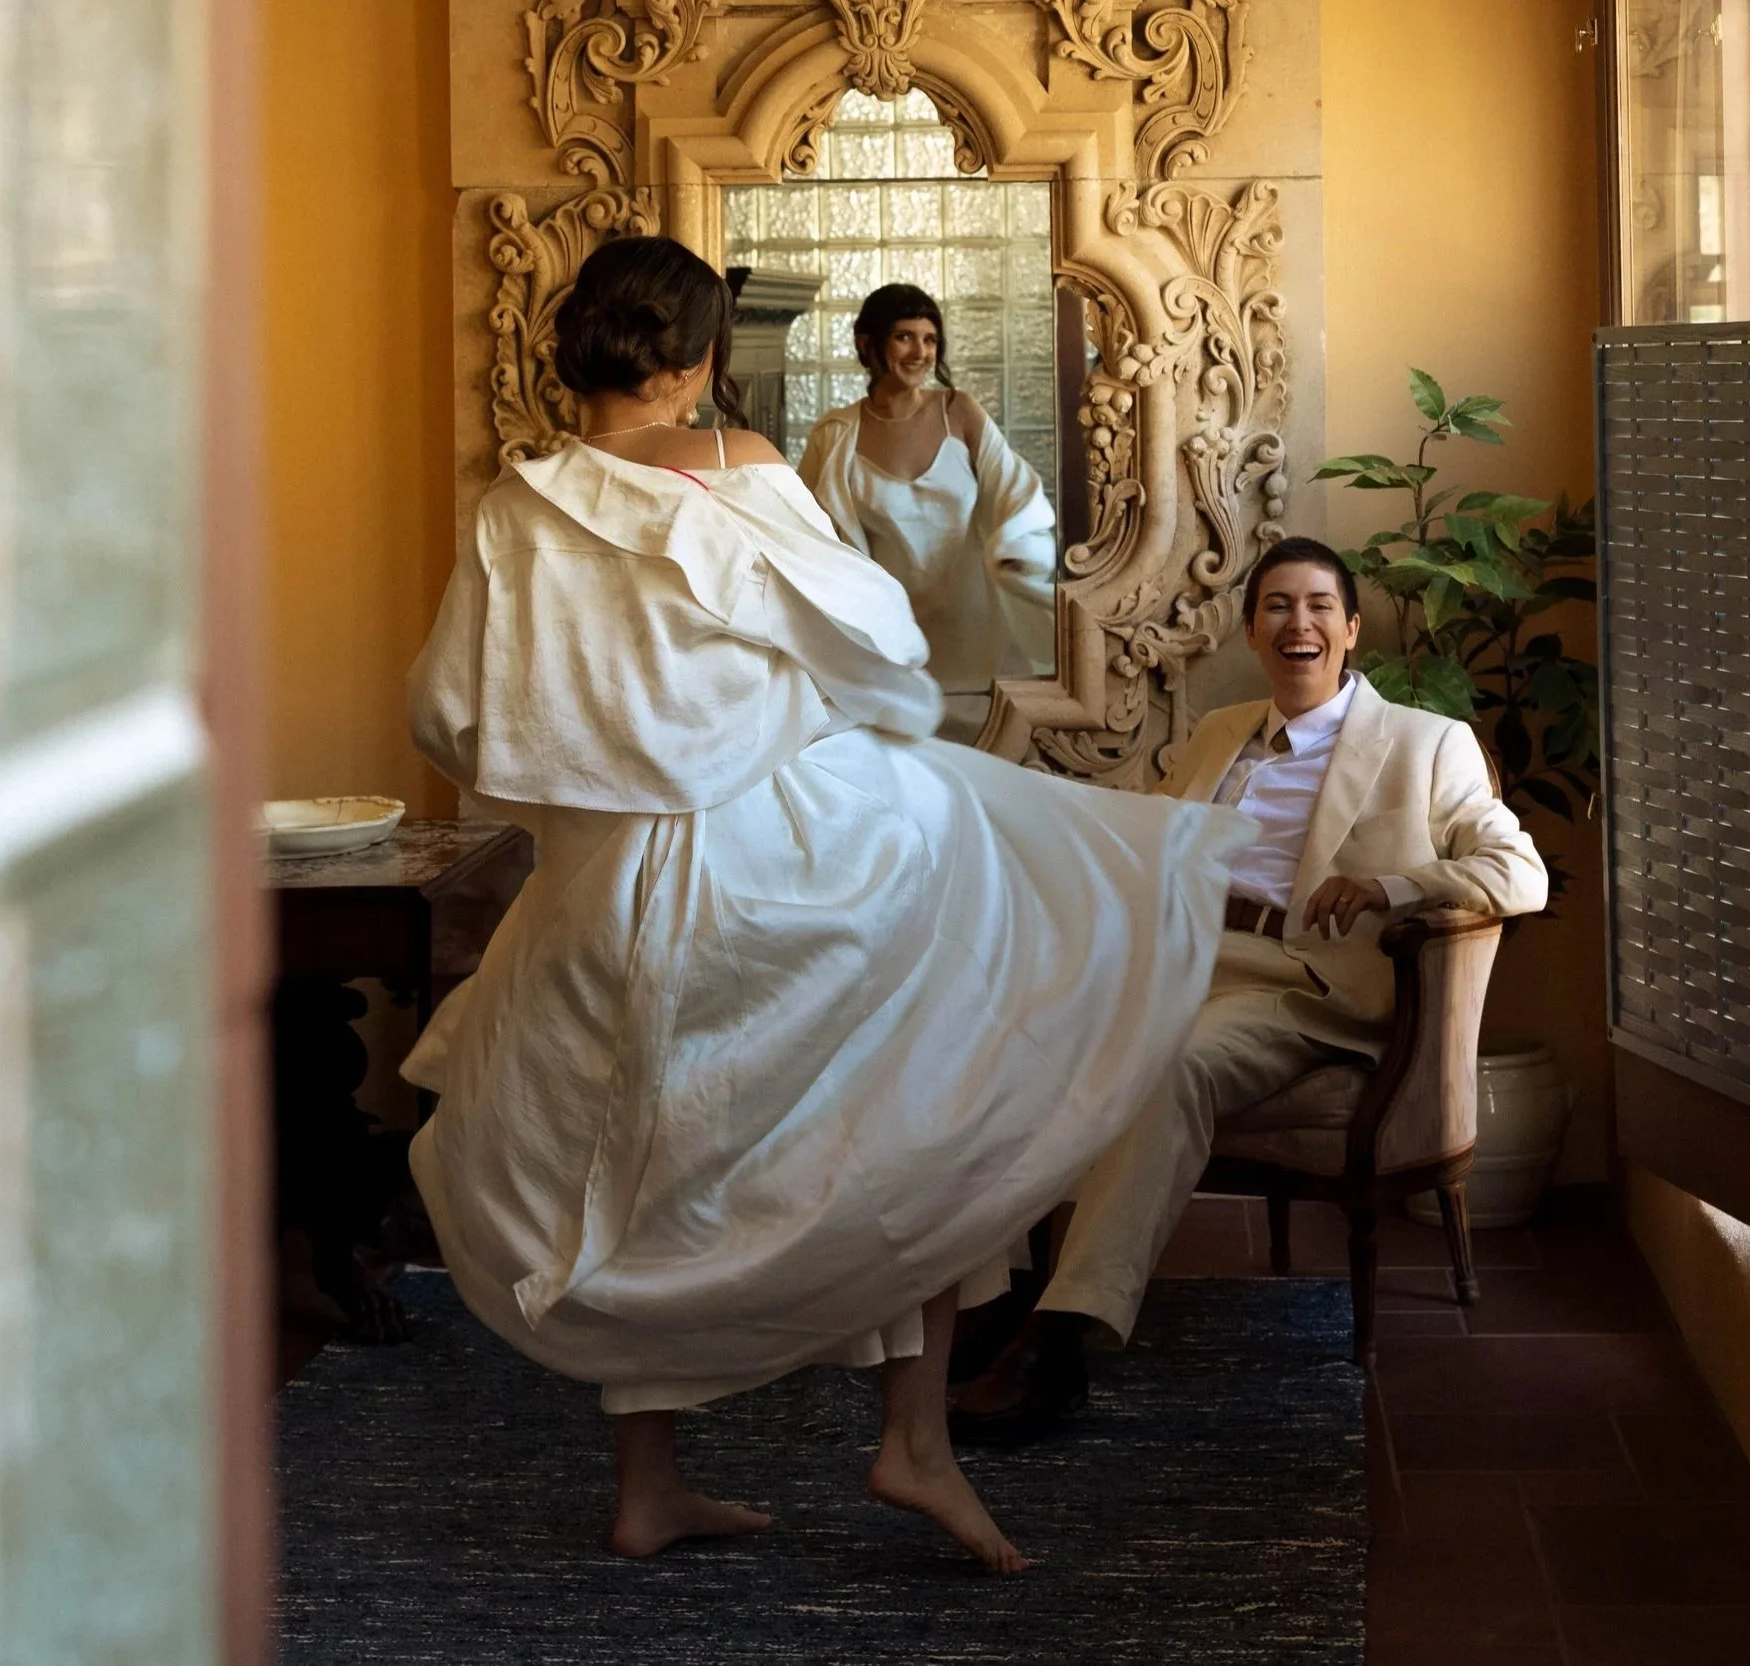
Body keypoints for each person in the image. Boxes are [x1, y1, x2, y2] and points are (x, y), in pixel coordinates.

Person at [399, 236, 1251, 1572]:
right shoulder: (741, 472)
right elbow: (876, 640)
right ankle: (911, 1440)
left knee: (633, 1160)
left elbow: (451, 711)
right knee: (923, 1104)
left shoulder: (517, 509)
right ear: (695, 356)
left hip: (609, 887)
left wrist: (599, 775)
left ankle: (651, 1481)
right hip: (785, 859)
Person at [951, 537, 1550, 1444]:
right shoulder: (1219, 733)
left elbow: (1519, 871)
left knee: (1173, 1067)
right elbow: (1138, 838)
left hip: (1302, 987)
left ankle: (1059, 1340)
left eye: (1317, 606)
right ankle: (987, 1301)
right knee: (999, 1039)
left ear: (1350, 630)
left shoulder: (1428, 744)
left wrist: (1393, 887)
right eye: (1276, 606)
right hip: (1179, 964)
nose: (1297, 623)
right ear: (1251, 629)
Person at [798, 283, 1057, 743]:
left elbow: (1013, 489)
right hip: (889, 636)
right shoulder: (836, 434)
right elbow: (803, 530)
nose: (920, 352)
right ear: (867, 343)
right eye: (904, 337)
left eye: (930, 339)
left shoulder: (958, 412)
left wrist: (1018, 547)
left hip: (975, 632)